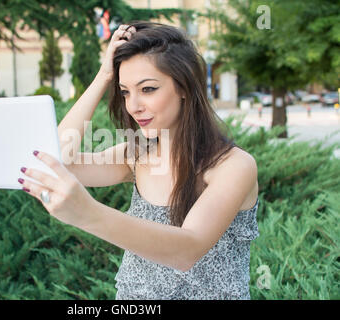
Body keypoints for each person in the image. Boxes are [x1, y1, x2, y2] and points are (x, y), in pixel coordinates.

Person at [18, 21, 260, 300]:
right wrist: (103, 77)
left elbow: (186, 250)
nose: (133, 106)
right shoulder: (136, 154)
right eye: (124, 92)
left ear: (184, 87)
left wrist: (88, 213)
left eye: (147, 89)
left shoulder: (233, 166)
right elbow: (51, 162)